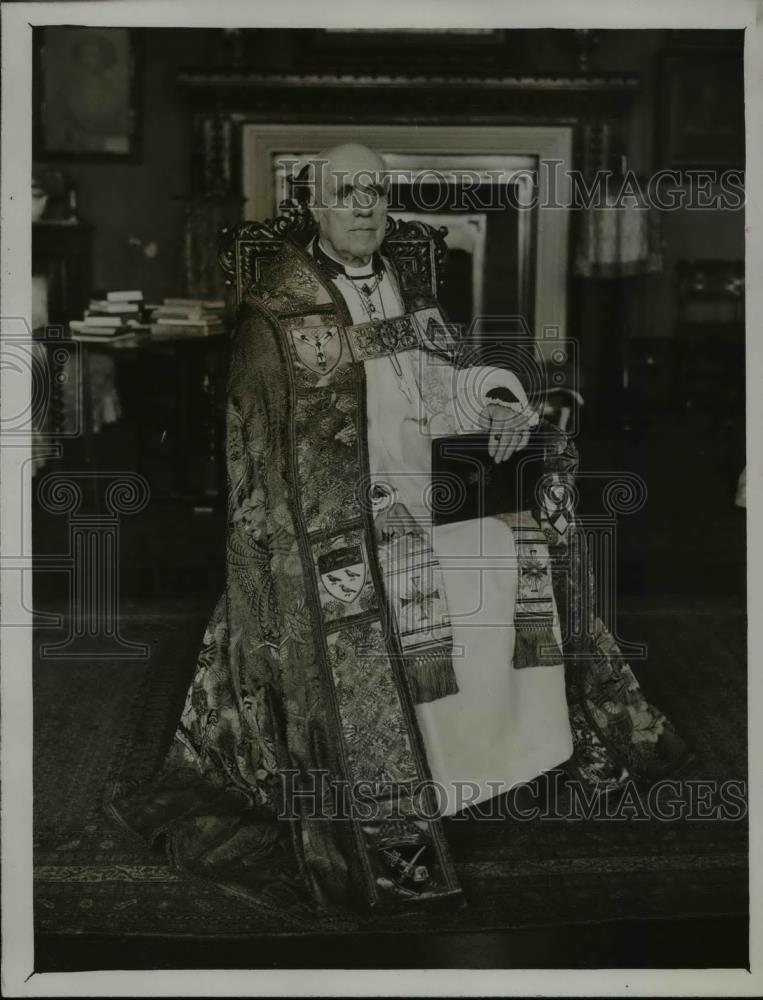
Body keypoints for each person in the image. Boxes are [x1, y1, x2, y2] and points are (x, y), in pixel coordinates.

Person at [107, 143, 690, 912]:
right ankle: (417, 788)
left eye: (375, 192)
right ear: (315, 206)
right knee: (433, 571)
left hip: (419, 499)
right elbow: (266, 450)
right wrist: (367, 498)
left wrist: (496, 403)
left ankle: (508, 764)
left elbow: (438, 380)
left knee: (515, 551)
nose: (363, 207)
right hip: (328, 522)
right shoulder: (280, 308)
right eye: (346, 192)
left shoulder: (398, 282)